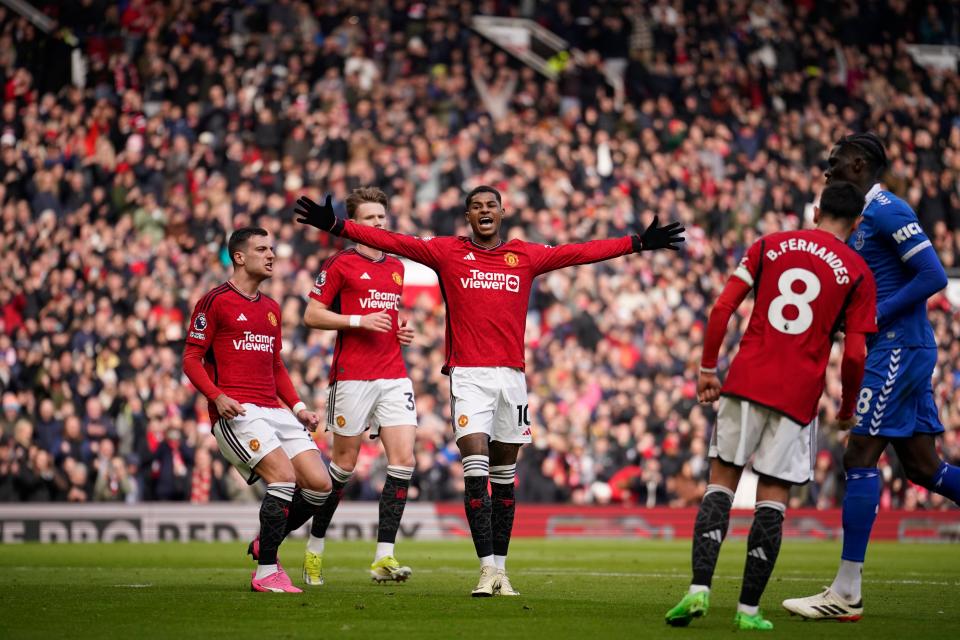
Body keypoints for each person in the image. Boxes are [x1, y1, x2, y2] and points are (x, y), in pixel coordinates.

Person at [293, 186, 684, 597]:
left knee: (504, 478)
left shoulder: (526, 255)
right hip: (468, 376)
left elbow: (580, 251)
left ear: (502, 211)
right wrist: (336, 225)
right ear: (467, 215)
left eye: (490, 205)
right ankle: (483, 571)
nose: (484, 211)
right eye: (476, 206)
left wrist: (637, 243)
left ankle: (500, 569)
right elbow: (393, 241)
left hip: (512, 378)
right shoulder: (447, 252)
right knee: (475, 469)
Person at [665, 180, 877, 630]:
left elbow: (722, 308)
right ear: (857, 224)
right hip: (797, 397)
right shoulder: (858, 271)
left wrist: (707, 369)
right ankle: (747, 611)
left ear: (816, 211)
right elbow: (856, 353)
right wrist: (847, 405)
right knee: (772, 501)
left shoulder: (769, 245)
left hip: (744, 382)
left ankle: (699, 589)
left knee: (719, 486)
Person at [782, 133, 960, 620]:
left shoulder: (887, 210)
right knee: (925, 469)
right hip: (895, 347)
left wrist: (875, 315)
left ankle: (845, 592)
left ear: (859, 165)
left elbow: (933, 276)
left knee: (859, 452)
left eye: (835, 162)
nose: (827, 170)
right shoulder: (860, 217)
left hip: (899, 347)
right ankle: (845, 591)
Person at [182, 227, 332, 593]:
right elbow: (190, 359)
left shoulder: (271, 309)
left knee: (320, 485)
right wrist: (217, 396)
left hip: (275, 409)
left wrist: (297, 407)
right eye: (262, 249)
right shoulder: (215, 300)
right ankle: (266, 572)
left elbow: (275, 366)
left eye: (272, 249)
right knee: (282, 476)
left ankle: (265, 541)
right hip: (237, 411)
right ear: (238, 256)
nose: (271, 255)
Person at [289, 186, 419, 586]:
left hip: (394, 375)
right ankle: (315, 547)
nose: (377, 224)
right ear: (353, 224)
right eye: (369, 218)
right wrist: (358, 322)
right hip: (351, 377)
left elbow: (386, 315)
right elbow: (311, 315)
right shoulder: (339, 264)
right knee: (342, 468)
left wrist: (398, 329)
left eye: (381, 217)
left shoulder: (396, 267)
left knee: (404, 461)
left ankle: (384, 556)